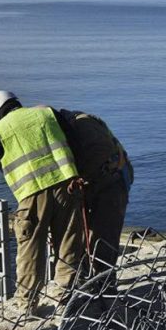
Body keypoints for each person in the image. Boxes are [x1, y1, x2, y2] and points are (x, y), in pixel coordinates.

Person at [0, 91, 85, 311]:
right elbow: (74, 143)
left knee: (30, 249)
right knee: (68, 242)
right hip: (66, 186)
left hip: (32, 194)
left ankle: (27, 304)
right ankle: (65, 298)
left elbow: (2, 167)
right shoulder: (47, 113)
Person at [54, 109, 133, 279]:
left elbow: (99, 155)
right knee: (82, 237)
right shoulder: (70, 126)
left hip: (112, 181)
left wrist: (79, 180)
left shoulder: (84, 126)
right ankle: (86, 278)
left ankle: (105, 284)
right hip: (101, 180)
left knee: (104, 237)